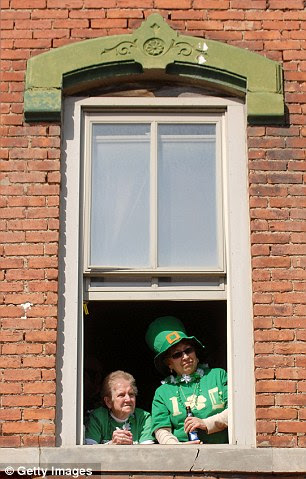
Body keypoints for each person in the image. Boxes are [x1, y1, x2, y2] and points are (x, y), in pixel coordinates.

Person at [146, 316, 228, 444]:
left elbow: (236, 411)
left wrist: (206, 423)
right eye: (177, 354)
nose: (185, 357)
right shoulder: (163, 392)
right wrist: (178, 447)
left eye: (188, 350)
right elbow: (161, 430)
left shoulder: (218, 375)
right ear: (169, 364)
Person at [85, 370, 154, 445]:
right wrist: (112, 444)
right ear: (108, 402)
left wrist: (132, 446)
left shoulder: (143, 417)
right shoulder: (97, 417)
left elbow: (148, 453)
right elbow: (89, 449)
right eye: (121, 395)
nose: (128, 399)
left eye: (131, 394)